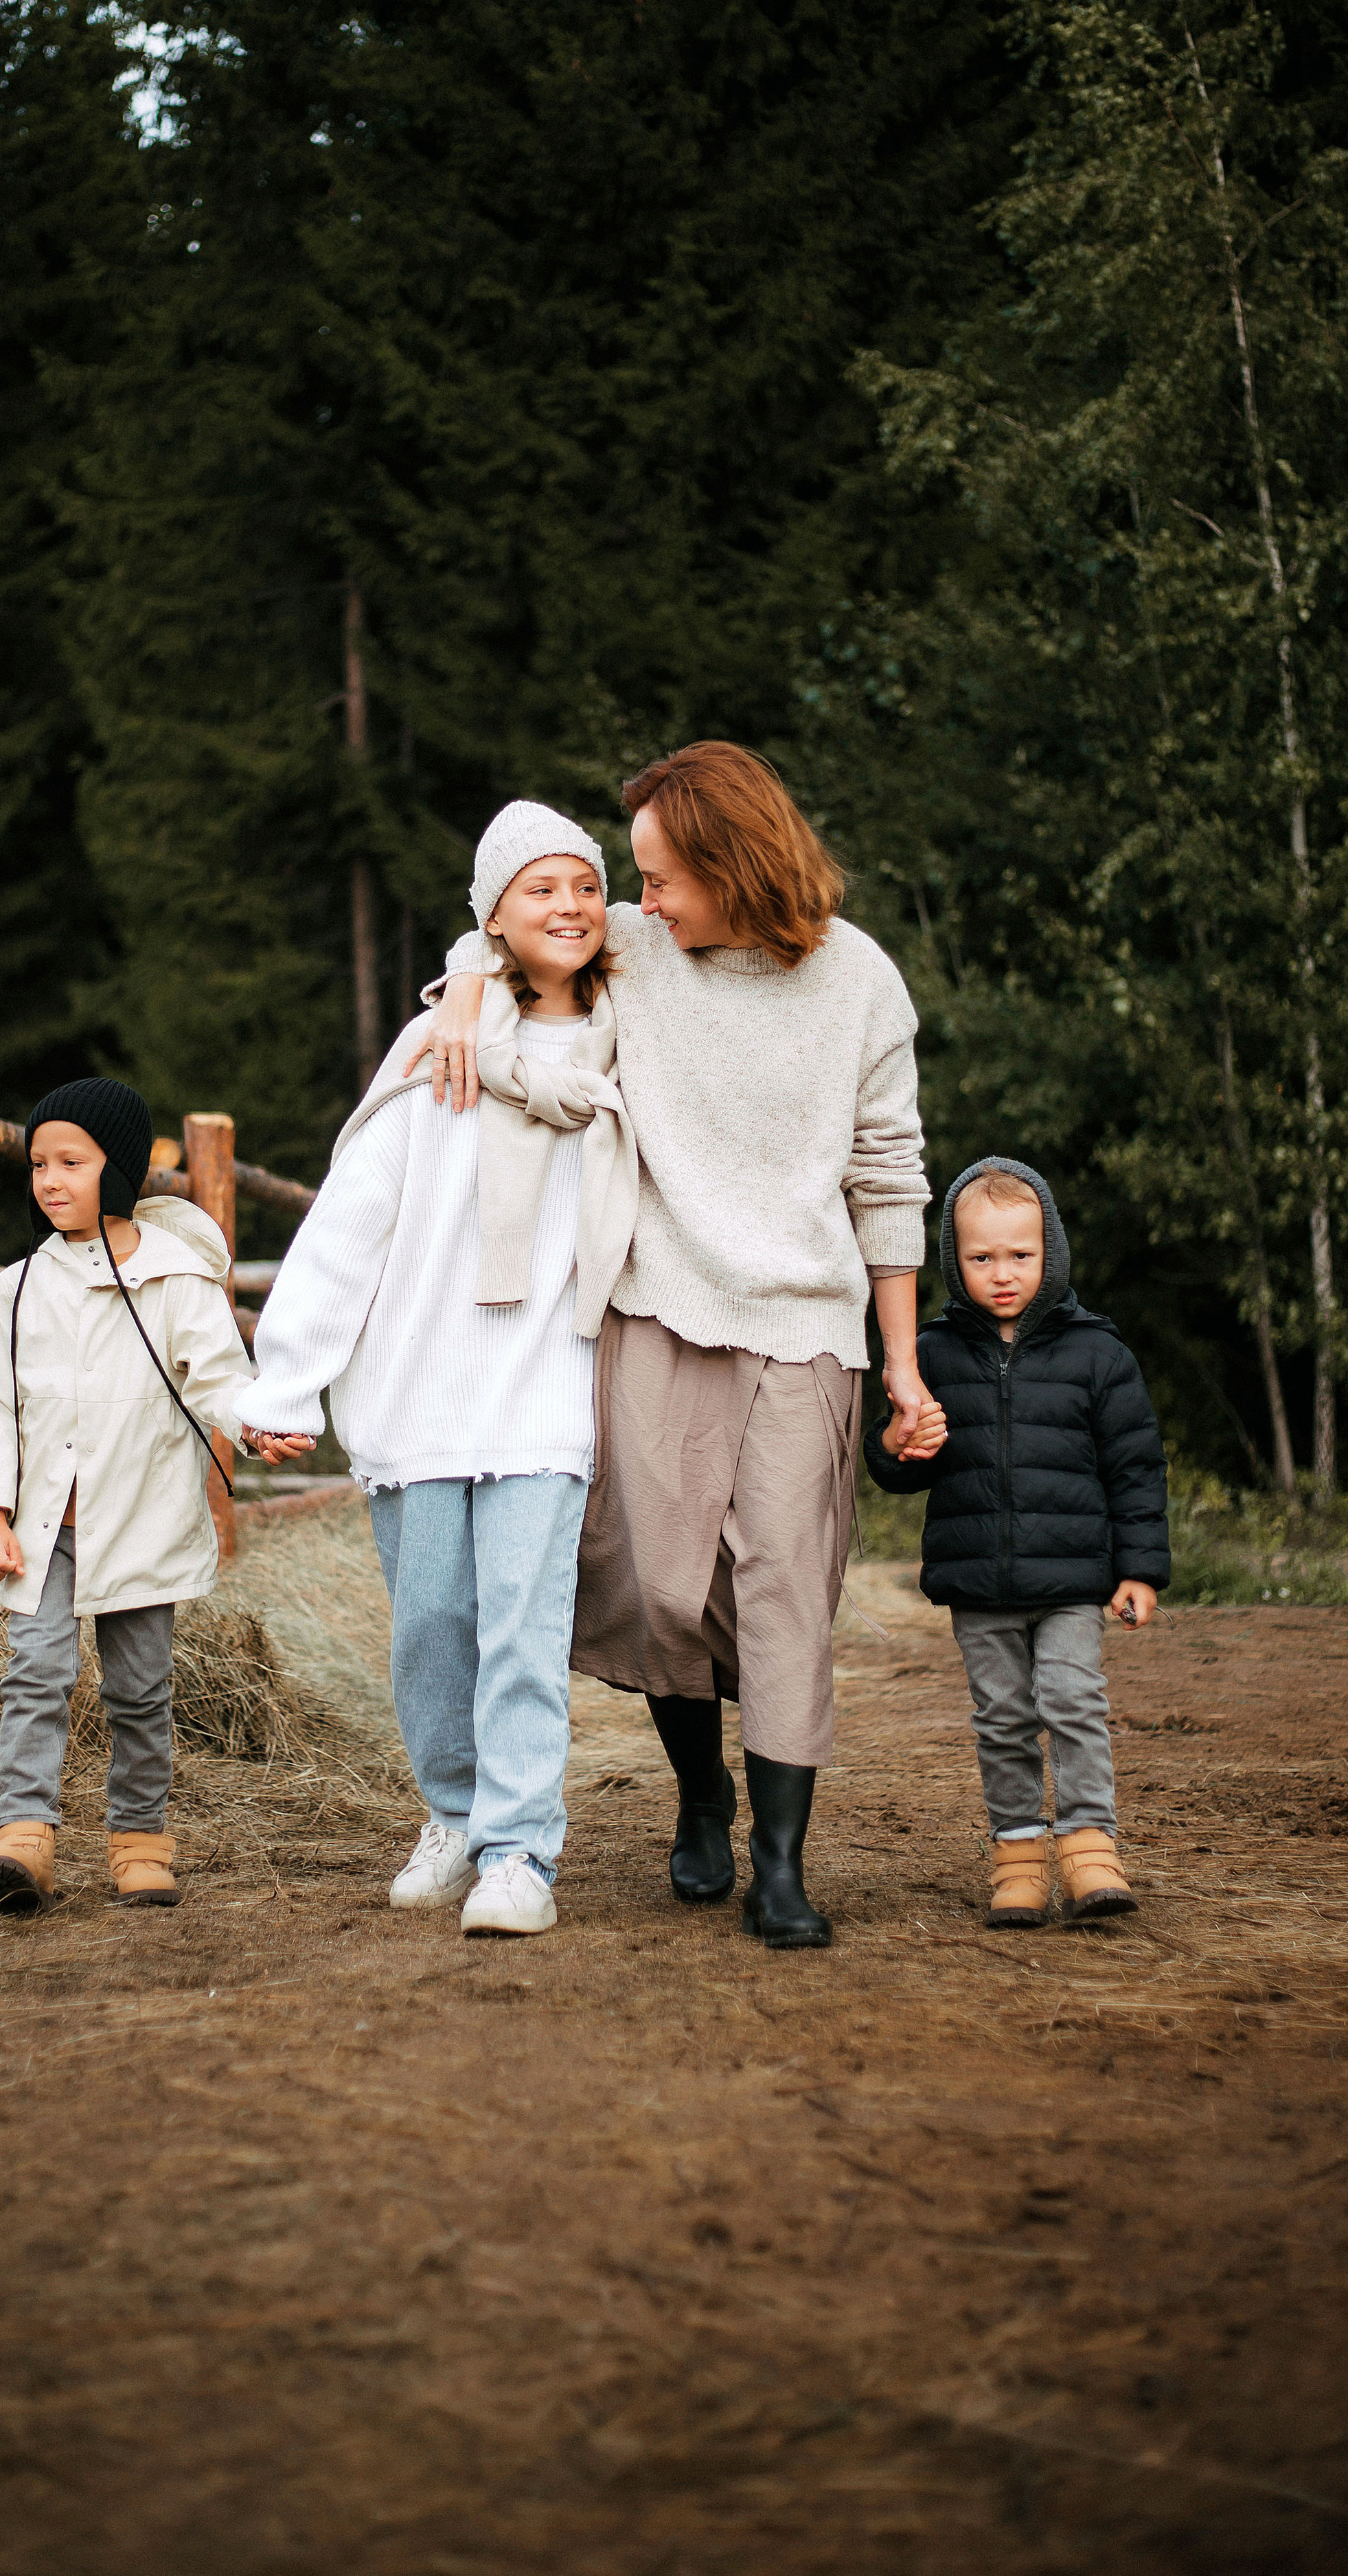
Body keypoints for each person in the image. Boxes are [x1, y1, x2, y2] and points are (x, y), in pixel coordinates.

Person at [417, 742, 931, 1949]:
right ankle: (701, 1795)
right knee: (660, 1587)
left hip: (807, 1326)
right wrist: (469, 1002)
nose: (637, 903)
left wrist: (901, 1366)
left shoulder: (860, 982)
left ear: (733, 864)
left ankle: (782, 1861)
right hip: (653, 1310)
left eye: (658, 877)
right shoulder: (639, 954)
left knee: (787, 1594)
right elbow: (492, 934)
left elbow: (890, 1179)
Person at [242, 803, 637, 1937]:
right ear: (494, 919)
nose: (565, 906)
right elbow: (350, 1227)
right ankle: (454, 1813)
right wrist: (283, 1385)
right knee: (430, 1627)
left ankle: (521, 1850)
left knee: (522, 1624)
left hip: (550, 1383)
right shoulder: (439, 1045)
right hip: (419, 1385)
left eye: (581, 885)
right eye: (537, 889)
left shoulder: (626, 1041)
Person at [0, 1077, 262, 1915]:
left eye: (72, 1162)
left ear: (118, 1167)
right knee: (37, 1672)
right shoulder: (18, 1288)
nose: (50, 1181)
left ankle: (138, 1840)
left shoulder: (175, 1278)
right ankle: (22, 1837)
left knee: (139, 1688)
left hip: (140, 1521)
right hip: (44, 1526)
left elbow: (218, 1379)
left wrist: (255, 1425)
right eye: (37, 1164)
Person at [865, 1158, 1169, 1926]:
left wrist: (1138, 1568)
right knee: (1001, 1718)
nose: (1002, 1274)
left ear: (1051, 1252)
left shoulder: (1096, 1354)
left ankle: (1090, 1848)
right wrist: (899, 1444)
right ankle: (1018, 1856)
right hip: (979, 1586)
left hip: (1072, 1581)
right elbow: (897, 1470)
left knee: (1071, 1702)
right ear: (952, 1260)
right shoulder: (930, 1355)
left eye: (1020, 1256)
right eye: (981, 1258)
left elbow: (1134, 1468)